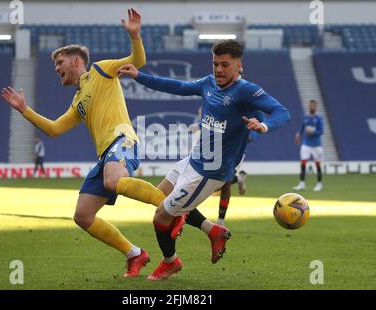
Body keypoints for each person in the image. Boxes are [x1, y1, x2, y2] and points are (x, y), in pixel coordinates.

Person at [1, 8, 178, 278]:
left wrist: (135, 36)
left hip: (123, 139)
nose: (56, 68)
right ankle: (135, 253)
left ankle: (171, 209)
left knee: (111, 180)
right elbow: (55, 129)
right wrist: (25, 110)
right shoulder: (77, 100)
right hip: (105, 154)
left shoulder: (101, 69)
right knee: (82, 216)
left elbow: (137, 60)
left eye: (59, 62)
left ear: (75, 61)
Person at [117, 39, 291, 280]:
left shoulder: (246, 91)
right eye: (215, 64)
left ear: (239, 65)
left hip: (210, 171)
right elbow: (177, 86)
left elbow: (282, 111)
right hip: (193, 160)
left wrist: (264, 125)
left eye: (225, 65)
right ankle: (212, 230)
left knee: (161, 216)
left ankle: (170, 262)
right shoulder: (209, 83)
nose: (218, 69)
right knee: (159, 196)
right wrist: (139, 75)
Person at [293, 99, 324, 192]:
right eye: (311, 105)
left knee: (318, 165)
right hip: (306, 144)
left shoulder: (319, 118)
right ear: (309, 106)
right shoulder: (305, 117)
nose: (312, 107)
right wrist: (298, 134)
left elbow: (321, 131)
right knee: (303, 164)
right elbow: (302, 128)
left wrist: (313, 131)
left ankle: (319, 184)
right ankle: (302, 184)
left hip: (317, 145)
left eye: (314, 106)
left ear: (316, 107)